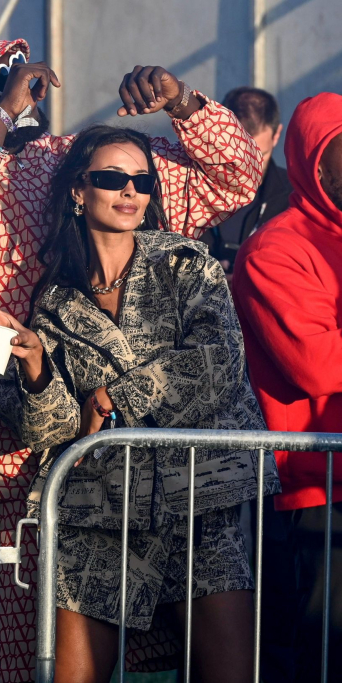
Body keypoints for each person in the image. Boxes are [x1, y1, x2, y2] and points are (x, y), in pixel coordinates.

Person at [0, 20, 263, 681]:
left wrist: (181, 102)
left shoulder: (92, 166)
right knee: (5, 623)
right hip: (10, 438)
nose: (20, 91)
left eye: (17, 73)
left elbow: (235, 176)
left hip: (138, 455)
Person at [0, 123, 281, 683]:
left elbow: (217, 365)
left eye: (142, 180)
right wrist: (34, 366)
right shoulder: (54, 303)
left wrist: (110, 398)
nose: (130, 191)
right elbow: (53, 429)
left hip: (201, 504)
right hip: (100, 509)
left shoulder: (187, 264)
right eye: (112, 178)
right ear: (79, 193)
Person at [232, 92, 342, 683]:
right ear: (316, 162)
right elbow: (315, 365)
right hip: (315, 496)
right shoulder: (275, 249)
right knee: (319, 656)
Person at [200, 87, 291, 282]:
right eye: (236, 156)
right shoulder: (184, 187)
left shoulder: (296, 197)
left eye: (260, 156)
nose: (246, 169)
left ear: (277, 135)